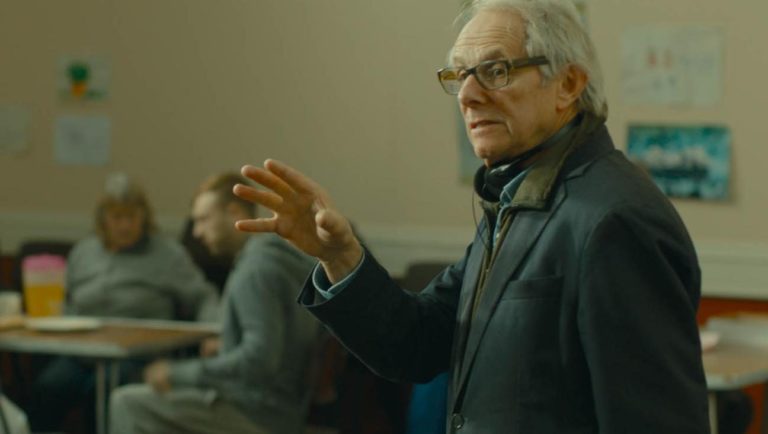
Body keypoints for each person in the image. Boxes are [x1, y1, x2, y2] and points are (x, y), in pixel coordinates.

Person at [233, 1, 710, 433]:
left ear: (568, 84)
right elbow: (416, 344)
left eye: (495, 71)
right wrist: (340, 257)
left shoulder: (616, 220)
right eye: (460, 75)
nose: (467, 95)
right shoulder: (518, 197)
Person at [109, 172, 319, 434]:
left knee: (126, 403)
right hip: (280, 405)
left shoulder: (255, 270)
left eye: (203, 220)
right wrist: (228, 344)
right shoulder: (276, 258)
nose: (197, 232)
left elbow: (260, 360)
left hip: (257, 413)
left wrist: (176, 373)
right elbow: (273, 341)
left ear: (234, 212)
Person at [29, 174, 219, 434]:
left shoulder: (167, 254)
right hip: (82, 353)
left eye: (132, 217)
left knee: (103, 392)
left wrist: (215, 331)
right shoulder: (84, 252)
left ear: (144, 217)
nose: (125, 225)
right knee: (47, 388)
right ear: (103, 219)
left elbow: (203, 296)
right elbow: (67, 304)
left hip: (138, 355)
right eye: (117, 217)